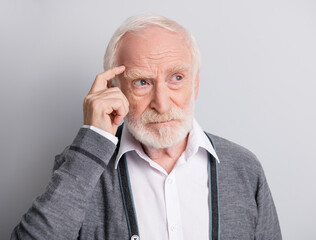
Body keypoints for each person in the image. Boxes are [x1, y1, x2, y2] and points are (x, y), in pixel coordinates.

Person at [11, 14, 281, 240]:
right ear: (114, 90)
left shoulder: (244, 169)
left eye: (176, 78)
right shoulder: (84, 166)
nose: (161, 104)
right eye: (142, 82)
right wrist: (92, 140)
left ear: (195, 84)